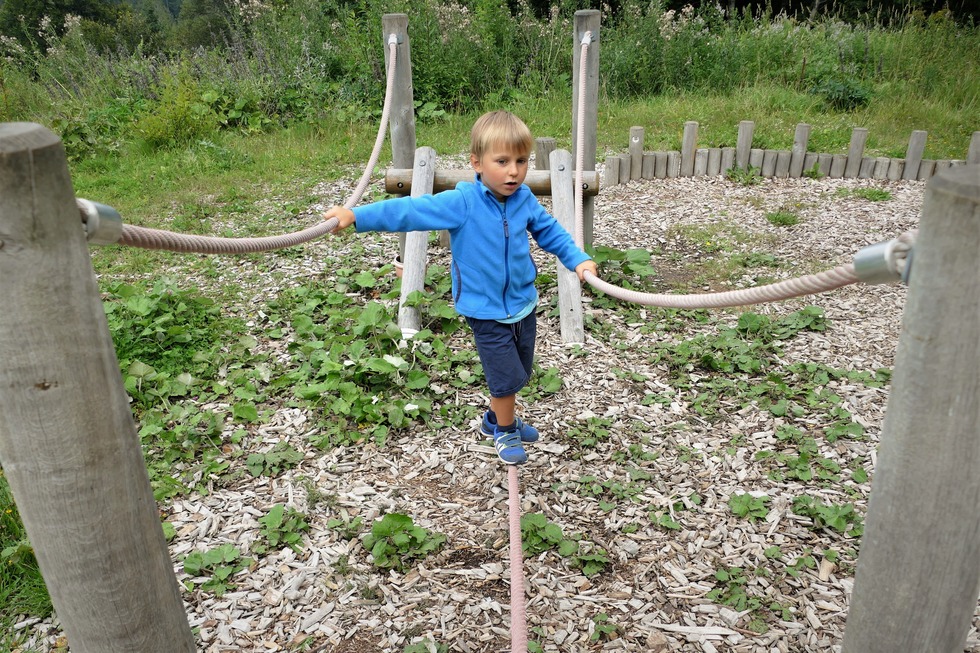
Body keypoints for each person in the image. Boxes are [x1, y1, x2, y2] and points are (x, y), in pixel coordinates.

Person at [323, 110, 597, 465]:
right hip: (483, 309)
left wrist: (577, 258)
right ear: (477, 163)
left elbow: (551, 233)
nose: (513, 171)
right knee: (505, 379)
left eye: (521, 161)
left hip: (522, 303)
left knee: (521, 371)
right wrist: (357, 216)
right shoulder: (462, 202)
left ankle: (494, 419)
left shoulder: (525, 199)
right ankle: (505, 431)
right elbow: (410, 211)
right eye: (502, 161)